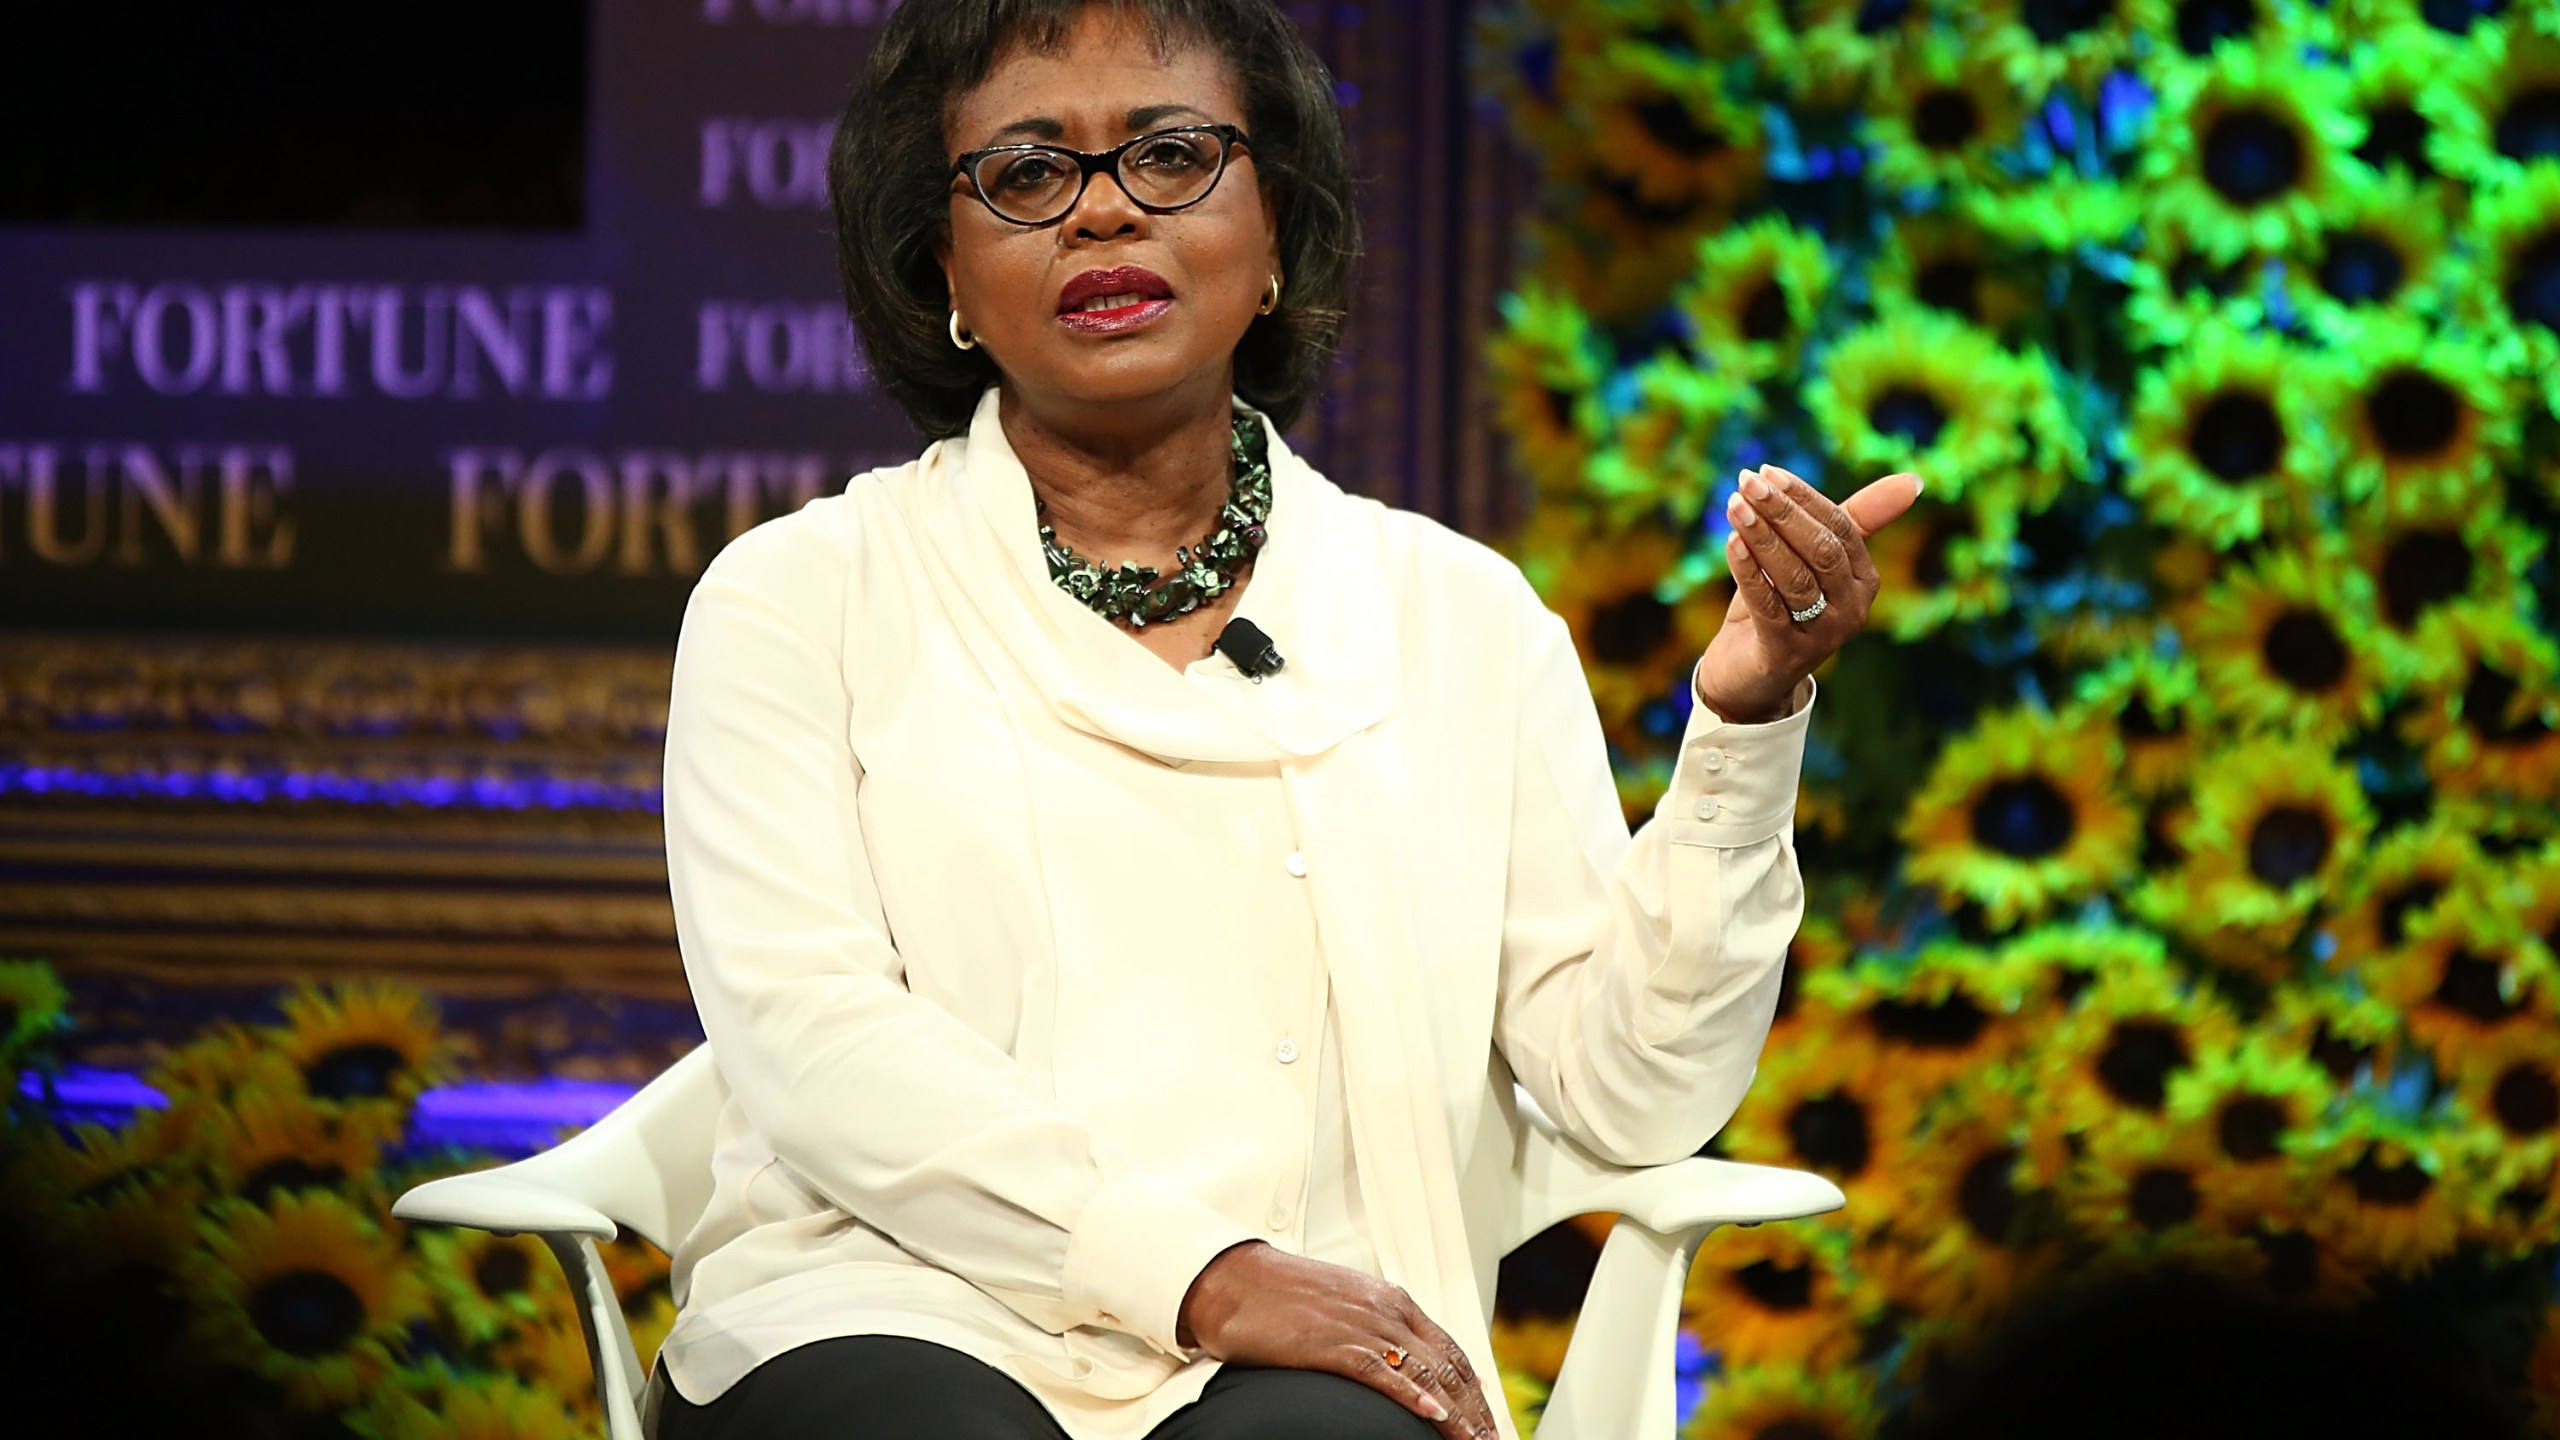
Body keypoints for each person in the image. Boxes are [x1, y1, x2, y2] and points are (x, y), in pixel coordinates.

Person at [648, 2, 1922, 1438]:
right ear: (942, 267)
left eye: (1173, 156)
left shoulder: (1460, 614)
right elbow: (817, 1044)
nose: (1105, 212)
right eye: (1025, 174)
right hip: (889, 1301)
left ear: (1274, 240)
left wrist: (1744, 721)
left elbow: (1632, 1094)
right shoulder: (801, 598)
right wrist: (1192, 1271)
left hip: (1317, 1337)